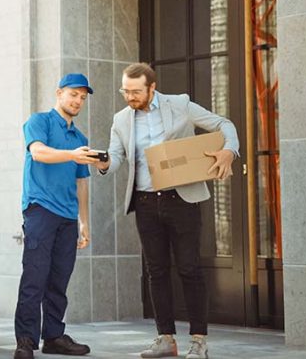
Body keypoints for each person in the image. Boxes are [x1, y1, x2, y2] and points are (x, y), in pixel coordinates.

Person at [93, 63, 238, 359]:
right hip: (146, 203)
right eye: (125, 91)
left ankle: (199, 341)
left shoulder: (180, 105)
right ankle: (166, 339)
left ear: (152, 88)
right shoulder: (121, 119)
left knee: (189, 268)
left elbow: (224, 124)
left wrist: (229, 150)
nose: (129, 96)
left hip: (181, 199)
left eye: (135, 91)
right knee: (156, 271)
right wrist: (104, 163)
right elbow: (117, 155)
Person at [14, 73, 97, 359]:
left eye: (83, 98)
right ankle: (25, 341)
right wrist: (72, 154)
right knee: (34, 278)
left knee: (59, 281)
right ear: (59, 93)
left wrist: (84, 221)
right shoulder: (39, 121)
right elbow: (38, 153)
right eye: (73, 94)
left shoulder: (80, 138)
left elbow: (81, 182)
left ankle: (54, 336)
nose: (78, 101)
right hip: (40, 210)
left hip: (67, 218)